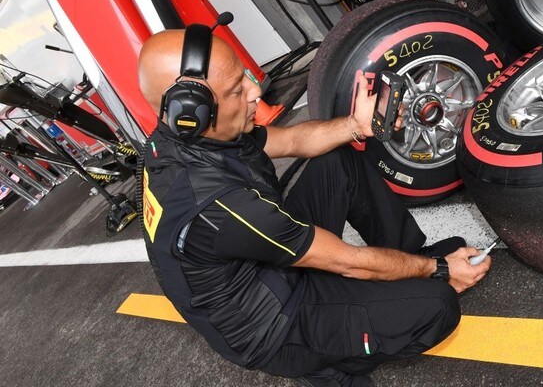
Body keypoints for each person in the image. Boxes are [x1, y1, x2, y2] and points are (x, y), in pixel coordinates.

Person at [137, 29, 492, 387]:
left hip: (268, 264)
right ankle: (325, 364)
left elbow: (294, 139)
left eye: (244, 76)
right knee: (438, 305)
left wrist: (356, 125)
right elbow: (349, 261)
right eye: (236, 90)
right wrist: (439, 271)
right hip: (277, 324)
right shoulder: (219, 205)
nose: (255, 91)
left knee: (338, 162)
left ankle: (406, 257)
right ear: (190, 110)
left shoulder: (188, 138)